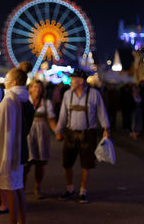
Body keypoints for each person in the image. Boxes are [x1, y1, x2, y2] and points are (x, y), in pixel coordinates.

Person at [55, 68, 110, 204]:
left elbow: (101, 112)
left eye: (73, 79)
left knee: (86, 164)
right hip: (71, 133)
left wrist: (106, 128)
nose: (71, 81)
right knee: (66, 163)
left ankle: (83, 191)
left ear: (81, 81)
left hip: (88, 133)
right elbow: (63, 114)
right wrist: (59, 131)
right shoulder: (67, 94)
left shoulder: (94, 94)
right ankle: (70, 188)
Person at [0, 66, 32, 224]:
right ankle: (22, 220)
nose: (4, 82)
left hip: (10, 150)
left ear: (13, 82)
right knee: (19, 187)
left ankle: (13, 221)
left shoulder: (9, 100)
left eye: (6, 79)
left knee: (12, 188)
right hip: (21, 149)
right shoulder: (26, 100)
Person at [24, 80, 57, 199]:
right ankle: (21, 187)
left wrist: (57, 131)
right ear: (30, 88)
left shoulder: (46, 103)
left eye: (39, 87)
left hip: (41, 134)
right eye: (35, 87)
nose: (37, 89)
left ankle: (37, 188)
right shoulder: (25, 100)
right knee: (26, 163)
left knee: (40, 163)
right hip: (28, 133)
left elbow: (51, 120)